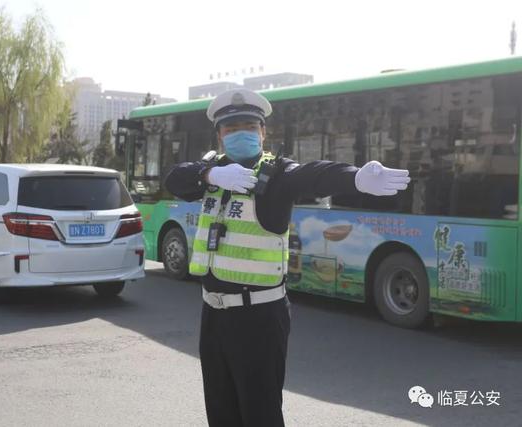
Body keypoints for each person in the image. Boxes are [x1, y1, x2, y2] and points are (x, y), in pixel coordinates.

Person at [164, 88, 410, 427]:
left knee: (260, 414)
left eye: (249, 126)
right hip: (214, 315)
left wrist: (355, 177)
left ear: (263, 132)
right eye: (231, 128)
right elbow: (174, 177)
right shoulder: (214, 174)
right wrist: (210, 174)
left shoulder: (277, 176)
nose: (240, 134)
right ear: (219, 135)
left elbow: (313, 174)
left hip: (259, 318)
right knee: (221, 413)